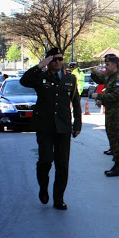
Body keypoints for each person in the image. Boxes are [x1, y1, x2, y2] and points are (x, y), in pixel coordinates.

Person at [20, 47, 82, 210]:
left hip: (63, 127)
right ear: (48, 61)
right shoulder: (40, 77)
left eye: (60, 59)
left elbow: (75, 102)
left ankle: (59, 198)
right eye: (54, 59)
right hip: (45, 127)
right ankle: (43, 187)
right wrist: (40, 65)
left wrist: (77, 124)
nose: (58, 62)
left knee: (62, 165)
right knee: (45, 161)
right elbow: (24, 81)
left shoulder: (71, 79)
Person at [91, 54, 119, 177]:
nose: (105, 67)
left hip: (118, 114)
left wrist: (100, 96)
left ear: (114, 65)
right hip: (112, 113)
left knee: (117, 139)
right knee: (113, 138)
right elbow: (102, 81)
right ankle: (117, 164)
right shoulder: (111, 76)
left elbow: (118, 96)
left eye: (107, 65)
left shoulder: (118, 78)